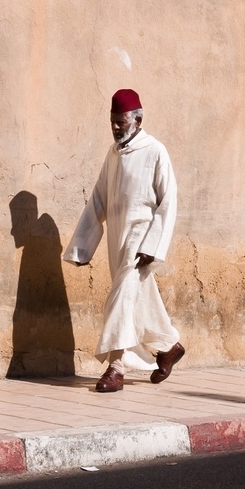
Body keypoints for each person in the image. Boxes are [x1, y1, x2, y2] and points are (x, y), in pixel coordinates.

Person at [63, 88, 184, 392]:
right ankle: (169, 346)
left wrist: (152, 245)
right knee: (137, 299)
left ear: (138, 119)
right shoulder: (113, 154)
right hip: (117, 239)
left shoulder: (156, 151)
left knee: (120, 298)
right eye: (113, 122)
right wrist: (82, 247)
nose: (116, 127)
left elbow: (168, 201)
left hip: (141, 239)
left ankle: (115, 368)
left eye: (122, 122)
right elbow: (98, 199)